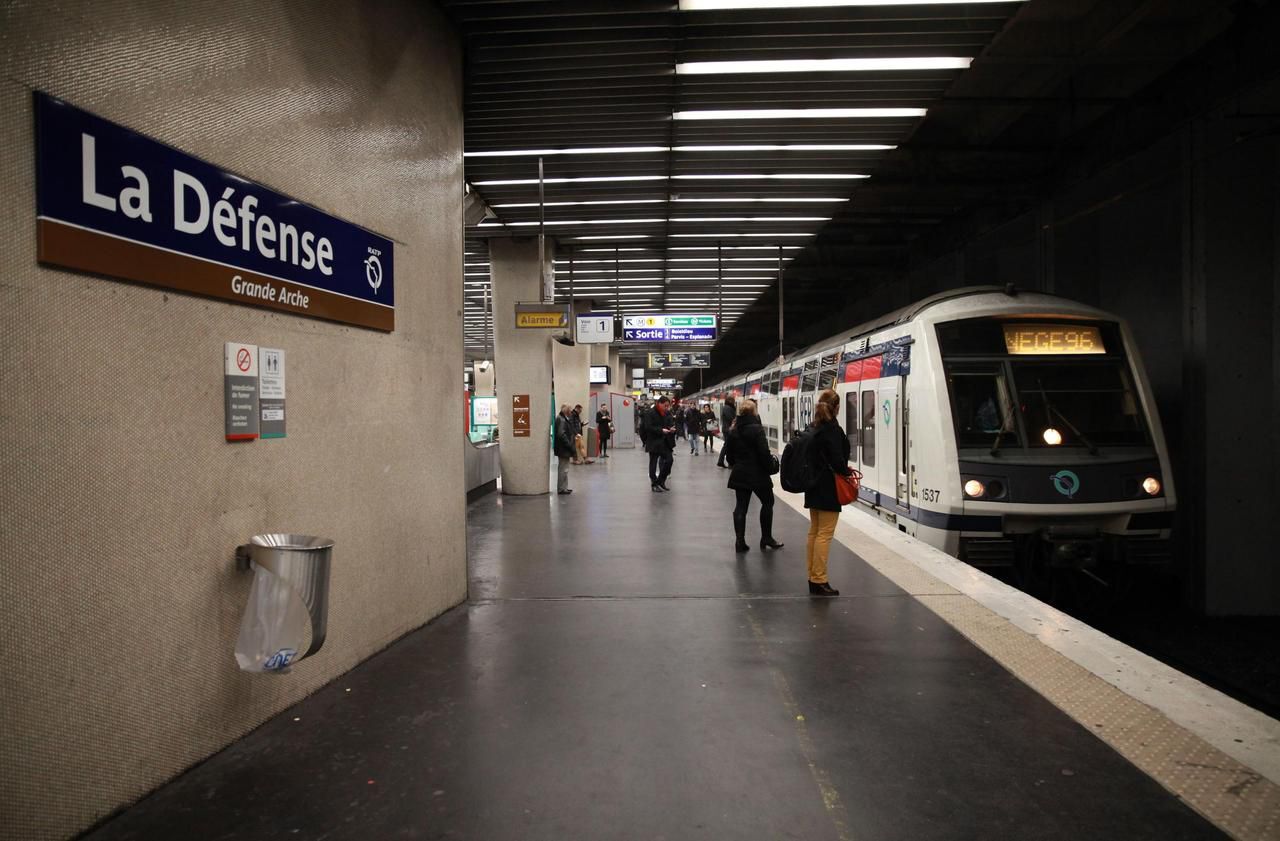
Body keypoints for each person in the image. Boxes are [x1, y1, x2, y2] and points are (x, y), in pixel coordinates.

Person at [804, 388, 852, 596]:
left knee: (814, 532)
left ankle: (813, 577)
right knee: (824, 534)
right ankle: (819, 579)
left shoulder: (815, 426)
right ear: (837, 407)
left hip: (813, 485)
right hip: (828, 487)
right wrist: (846, 471)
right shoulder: (832, 429)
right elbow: (838, 460)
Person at [725, 399, 783, 553]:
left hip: (740, 474)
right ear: (753, 412)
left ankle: (740, 542)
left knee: (741, 507)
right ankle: (766, 537)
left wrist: (738, 463)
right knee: (768, 502)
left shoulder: (733, 430)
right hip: (758, 475)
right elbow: (764, 454)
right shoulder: (757, 429)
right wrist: (772, 467)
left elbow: (729, 456)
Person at [642, 395, 677, 492]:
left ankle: (661, 480)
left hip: (665, 442)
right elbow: (648, 427)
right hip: (654, 442)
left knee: (669, 460)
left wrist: (671, 429)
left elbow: (668, 424)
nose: (667, 408)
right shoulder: (650, 413)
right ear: (659, 403)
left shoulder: (666, 413)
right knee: (653, 464)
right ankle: (654, 484)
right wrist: (661, 430)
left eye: (668, 406)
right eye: (665, 406)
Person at [553, 405, 575, 495]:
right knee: (563, 469)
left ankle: (564, 487)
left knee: (565, 469)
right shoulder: (561, 419)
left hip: (563, 448)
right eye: (570, 410)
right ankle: (562, 489)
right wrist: (569, 444)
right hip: (563, 449)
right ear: (566, 411)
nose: (571, 412)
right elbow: (561, 434)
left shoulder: (563, 418)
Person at [716, 395, 737, 467]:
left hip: (727, 429)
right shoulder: (727, 408)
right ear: (730, 401)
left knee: (728, 445)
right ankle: (722, 461)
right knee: (727, 446)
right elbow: (731, 418)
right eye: (733, 400)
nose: (734, 401)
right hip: (728, 429)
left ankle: (726, 462)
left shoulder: (727, 407)